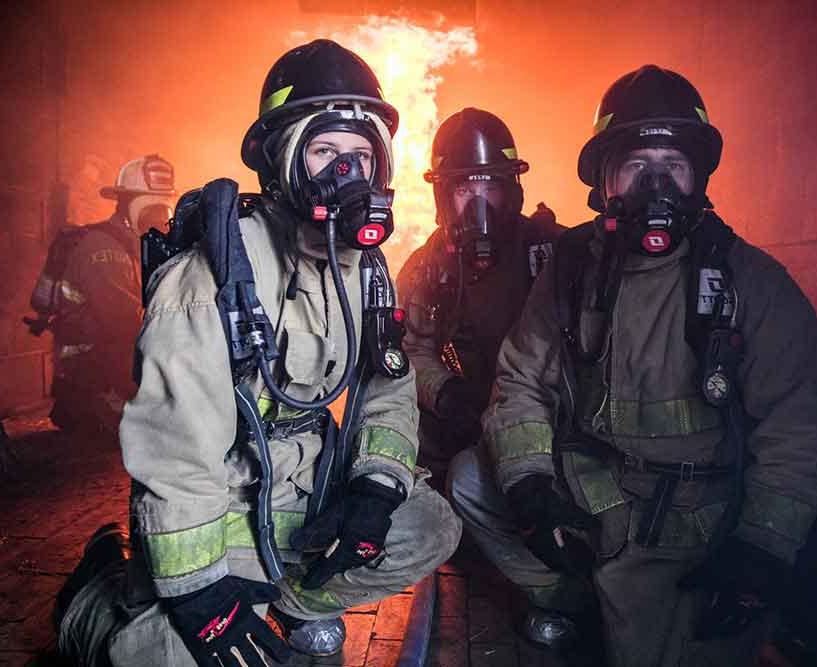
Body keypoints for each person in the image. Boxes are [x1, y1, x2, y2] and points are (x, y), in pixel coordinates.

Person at [55, 39, 461, 665]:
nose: (345, 175)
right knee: (169, 655)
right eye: (325, 152)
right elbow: (175, 460)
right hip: (223, 504)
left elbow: (389, 388)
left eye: (360, 157)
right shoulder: (209, 279)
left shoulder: (365, 270)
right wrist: (202, 600)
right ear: (282, 163)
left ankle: (288, 604)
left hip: (307, 493)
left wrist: (376, 489)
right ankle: (92, 609)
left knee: (428, 526)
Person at [448, 65, 817, 666]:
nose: (655, 188)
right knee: (472, 477)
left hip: (691, 520)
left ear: (697, 181)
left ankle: (623, 609)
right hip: (591, 492)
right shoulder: (570, 267)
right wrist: (530, 486)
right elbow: (522, 380)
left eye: (673, 168)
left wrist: (762, 547)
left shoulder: (750, 284)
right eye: (636, 166)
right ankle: (573, 595)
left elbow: (800, 426)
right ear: (604, 182)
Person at [396, 107, 564, 484]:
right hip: (466, 413)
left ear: (512, 191)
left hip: (548, 411)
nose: (479, 205)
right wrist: (444, 391)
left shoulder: (554, 252)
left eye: (490, 188)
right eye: (465, 190)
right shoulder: (428, 267)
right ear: (443, 197)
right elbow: (408, 348)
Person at [26, 155, 175, 434]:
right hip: (93, 387)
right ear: (127, 205)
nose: (159, 220)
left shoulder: (130, 246)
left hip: (99, 381)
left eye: (163, 211)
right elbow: (124, 324)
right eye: (151, 209)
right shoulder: (104, 251)